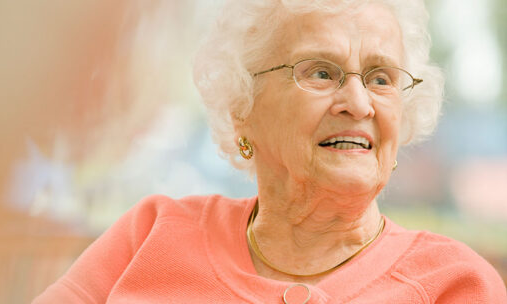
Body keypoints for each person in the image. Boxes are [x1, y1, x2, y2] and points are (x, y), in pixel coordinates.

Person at [34, 0, 507, 303]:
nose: (359, 103)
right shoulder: (151, 234)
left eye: (381, 79)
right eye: (321, 72)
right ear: (243, 105)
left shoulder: (455, 284)